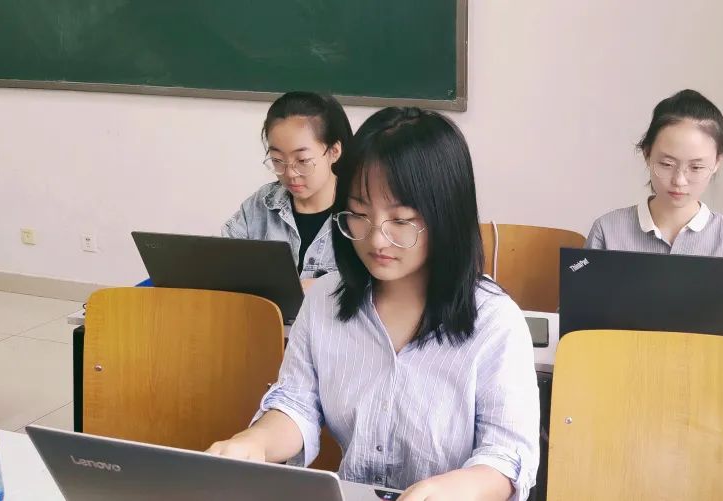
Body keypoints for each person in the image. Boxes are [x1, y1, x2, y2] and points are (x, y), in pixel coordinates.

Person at [208, 107, 540, 500]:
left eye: (400, 220)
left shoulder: (495, 321)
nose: (376, 240)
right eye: (359, 214)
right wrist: (255, 443)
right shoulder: (325, 302)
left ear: (446, 216)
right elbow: (298, 404)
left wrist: (452, 489)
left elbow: (507, 455)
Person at [586, 89, 723, 338]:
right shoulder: (608, 230)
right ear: (647, 154)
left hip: (707, 360)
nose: (679, 180)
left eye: (696, 167)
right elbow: (575, 311)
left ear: (717, 162)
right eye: (666, 164)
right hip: (626, 357)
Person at [222, 91, 352, 290]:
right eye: (277, 160)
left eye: (303, 161)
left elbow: (375, 287)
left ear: (334, 152)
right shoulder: (261, 204)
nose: (290, 173)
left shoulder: (359, 214)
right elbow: (223, 264)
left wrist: (322, 288)